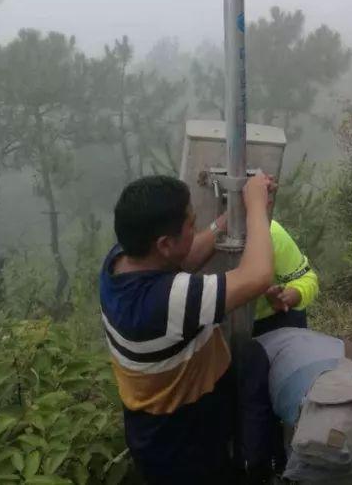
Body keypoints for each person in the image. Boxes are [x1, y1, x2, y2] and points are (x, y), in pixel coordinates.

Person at [99, 173, 275, 484]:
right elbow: (257, 276)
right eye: (191, 225)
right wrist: (257, 207)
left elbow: (184, 259)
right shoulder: (163, 302)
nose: (196, 229)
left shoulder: (120, 262)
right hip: (183, 444)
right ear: (164, 244)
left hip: (153, 429)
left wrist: (226, 221)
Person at [240, 327, 352, 484]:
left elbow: (256, 428)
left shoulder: (254, 353)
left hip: (325, 473)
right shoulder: (350, 349)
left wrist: (257, 474)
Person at [182, 213, 320, 337]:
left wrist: (293, 294)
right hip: (216, 328)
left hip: (274, 321)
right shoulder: (181, 246)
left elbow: (306, 278)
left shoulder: (272, 233)